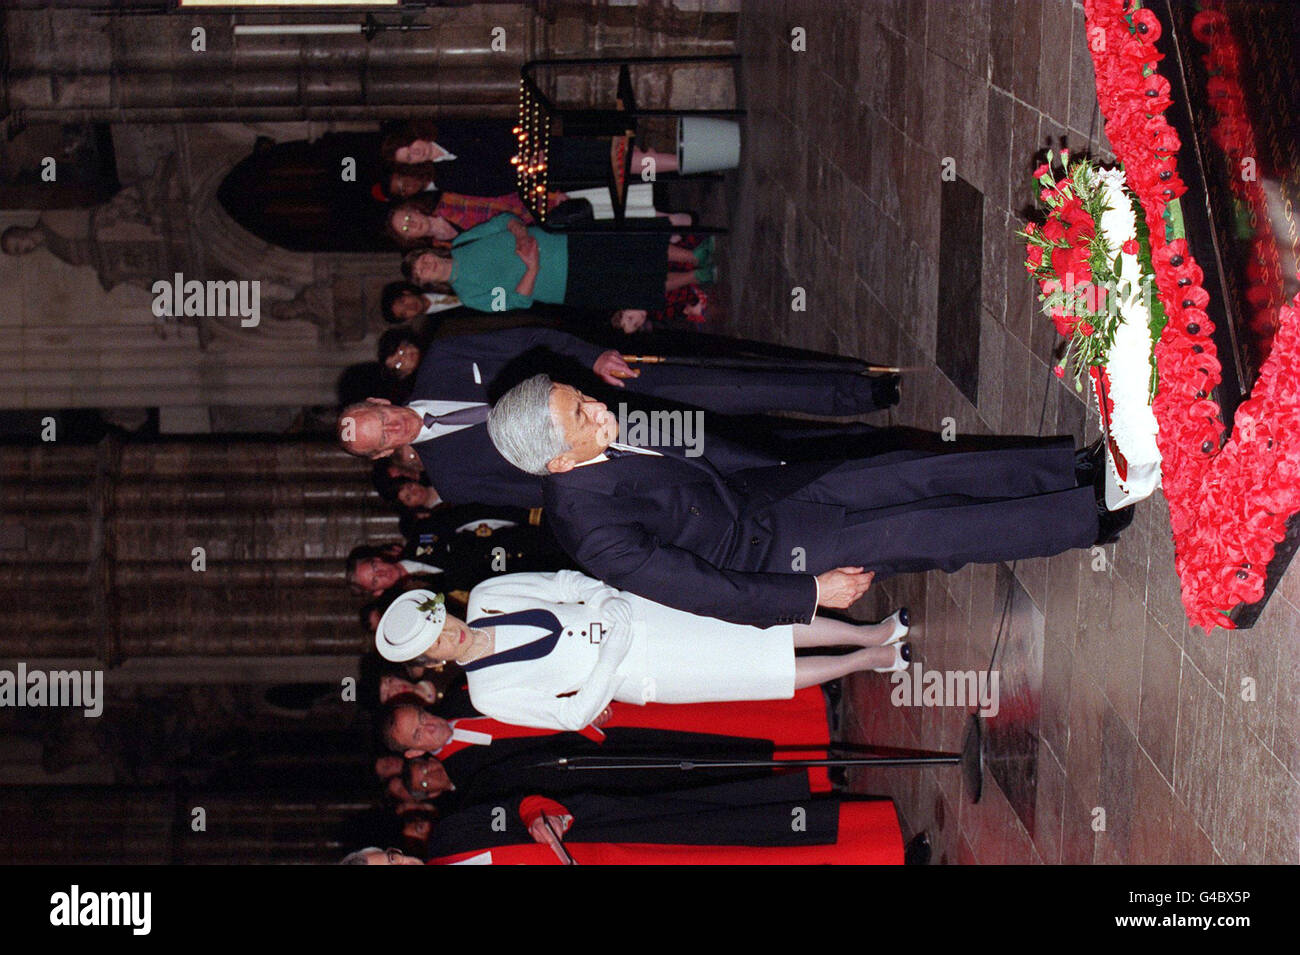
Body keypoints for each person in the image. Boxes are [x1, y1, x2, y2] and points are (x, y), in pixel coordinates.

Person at [485, 374, 1126, 628]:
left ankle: (1066, 468)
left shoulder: (607, 431)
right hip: (782, 555)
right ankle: (1084, 517)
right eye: (582, 413)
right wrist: (811, 595)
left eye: (583, 397)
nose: (599, 407)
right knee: (930, 531)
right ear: (559, 461)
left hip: (781, 491)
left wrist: (791, 461)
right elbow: (700, 591)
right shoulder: (589, 530)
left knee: (915, 472)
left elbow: (706, 451)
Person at [336, 325, 899, 507]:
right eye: (377, 440)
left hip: (607, 387)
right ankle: (861, 449)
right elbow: (541, 492)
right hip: (623, 443)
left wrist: (590, 356)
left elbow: (530, 337)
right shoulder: (456, 481)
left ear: (381, 401)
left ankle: (857, 394)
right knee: (744, 449)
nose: (389, 428)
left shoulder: (445, 359)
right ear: (385, 453)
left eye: (377, 417)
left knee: (736, 389)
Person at [374, 573, 910, 732]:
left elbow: (566, 581)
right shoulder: (490, 694)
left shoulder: (490, 595)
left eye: (442, 623)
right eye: (439, 643)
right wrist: (612, 654)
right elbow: (571, 714)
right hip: (647, 670)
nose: (452, 635)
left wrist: (610, 604)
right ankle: (868, 661)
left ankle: (868, 633)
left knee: (759, 623)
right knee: (762, 668)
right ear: (435, 663)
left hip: (644, 614)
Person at [343, 779, 905, 865]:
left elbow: (518, 805)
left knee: (749, 839)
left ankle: (884, 851)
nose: (401, 863)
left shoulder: (450, 836)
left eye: (389, 858)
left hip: (620, 842)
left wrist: (539, 815)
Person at [401, 214, 709, 314]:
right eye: (421, 272)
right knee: (636, 284)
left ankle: (693, 256)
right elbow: (517, 300)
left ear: (430, 252)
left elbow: (504, 221)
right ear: (427, 284)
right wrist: (532, 267)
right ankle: (696, 275)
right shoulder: (468, 295)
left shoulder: (462, 243)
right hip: (564, 285)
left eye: (423, 259)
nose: (426, 265)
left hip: (566, 244)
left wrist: (521, 235)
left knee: (637, 249)